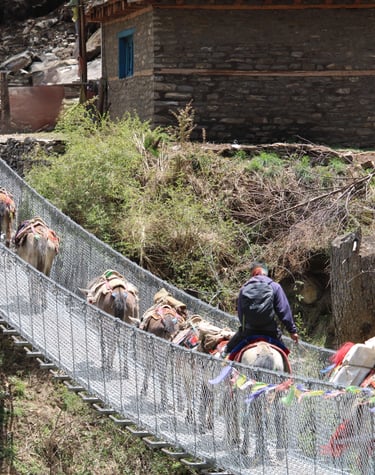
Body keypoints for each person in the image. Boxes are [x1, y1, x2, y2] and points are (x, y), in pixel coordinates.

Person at [222, 261, 299, 358]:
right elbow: (283, 310)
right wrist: (292, 331)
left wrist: (245, 326)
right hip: (271, 332)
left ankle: (224, 353)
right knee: (284, 356)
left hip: (249, 330)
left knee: (230, 352)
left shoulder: (244, 288)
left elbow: (241, 313)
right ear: (266, 273)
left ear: (253, 274)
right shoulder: (275, 287)